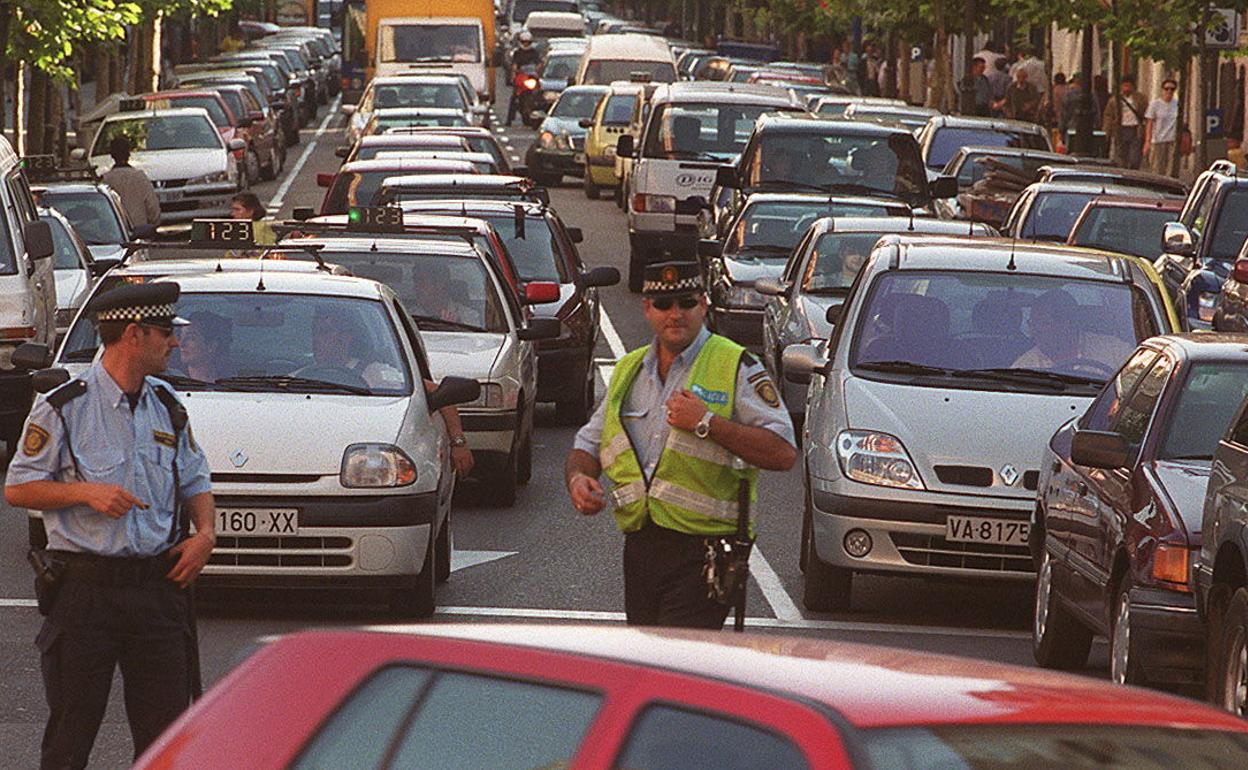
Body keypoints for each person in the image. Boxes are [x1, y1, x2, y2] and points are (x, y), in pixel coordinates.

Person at [5, 283, 215, 770]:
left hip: (157, 589)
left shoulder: (167, 404)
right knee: (71, 735)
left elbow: (196, 477)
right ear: (134, 334)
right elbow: (18, 488)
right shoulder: (64, 404)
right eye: (166, 332)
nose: (176, 343)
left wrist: (205, 534)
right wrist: (86, 492)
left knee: (166, 738)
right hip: (86, 592)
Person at [565, 262, 797, 628]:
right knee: (649, 662)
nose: (675, 314)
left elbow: (783, 452)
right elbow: (588, 445)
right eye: (663, 304)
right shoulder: (628, 371)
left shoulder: (735, 364)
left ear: (703, 304)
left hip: (705, 550)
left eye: (686, 302)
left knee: (675, 660)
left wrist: (707, 422)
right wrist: (579, 479)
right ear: (646, 308)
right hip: (642, 546)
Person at [1012, 289, 1132, 373]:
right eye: (1032, 324)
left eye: (1043, 323)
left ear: (1066, 323)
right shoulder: (1024, 367)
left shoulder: (1114, 351)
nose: (1034, 331)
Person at [101, 136, 160, 233]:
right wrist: (152, 224)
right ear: (128, 154)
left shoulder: (106, 180)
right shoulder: (140, 177)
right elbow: (153, 208)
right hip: (140, 231)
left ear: (112, 155)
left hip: (115, 233)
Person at [1103, 75, 1148, 169]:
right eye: (1124, 86)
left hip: (1135, 128)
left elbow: (1145, 113)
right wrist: (1107, 132)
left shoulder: (1141, 98)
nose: (1126, 88)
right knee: (1121, 154)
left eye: (1128, 86)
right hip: (1120, 129)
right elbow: (1108, 116)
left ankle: (1133, 170)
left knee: (1134, 156)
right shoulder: (1114, 100)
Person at [177, 311, 235, 382]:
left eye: (191, 338)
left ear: (211, 346)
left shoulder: (232, 383)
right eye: (180, 336)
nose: (181, 344)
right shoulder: (169, 381)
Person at [1144, 79, 1180, 176]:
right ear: (1162, 90)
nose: (1169, 91)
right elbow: (1150, 123)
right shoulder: (1155, 104)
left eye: (1172, 89)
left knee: (1170, 169)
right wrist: (1148, 141)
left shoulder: (1177, 104)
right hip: (1158, 141)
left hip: (1172, 140)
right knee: (1158, 169)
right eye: (1166, 88)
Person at [506, 31, 540, 126]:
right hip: (522, 77)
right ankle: (509, 119)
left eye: (528, 42)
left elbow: (538, 64)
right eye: (524, 42)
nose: (525, 44)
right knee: (514, 97)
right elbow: (514, 65)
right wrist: (513, 75)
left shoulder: (534, 53)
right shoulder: (517, 53)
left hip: (531, 76)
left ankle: (537, 113)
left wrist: (538, 71)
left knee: (540, 95)